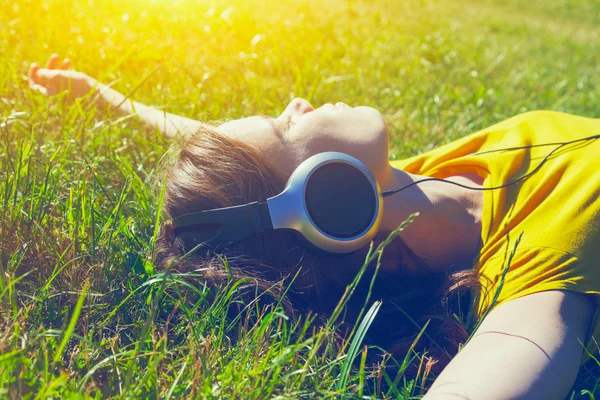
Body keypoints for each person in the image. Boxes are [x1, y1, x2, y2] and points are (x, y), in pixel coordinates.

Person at [29, 54, 600, 399]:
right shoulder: (546, 255)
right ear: (327, 195)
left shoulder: (419, 180)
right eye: (284, 125)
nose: (297, 102)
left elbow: (207, 137)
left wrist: (105, 98)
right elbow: (499, 367)